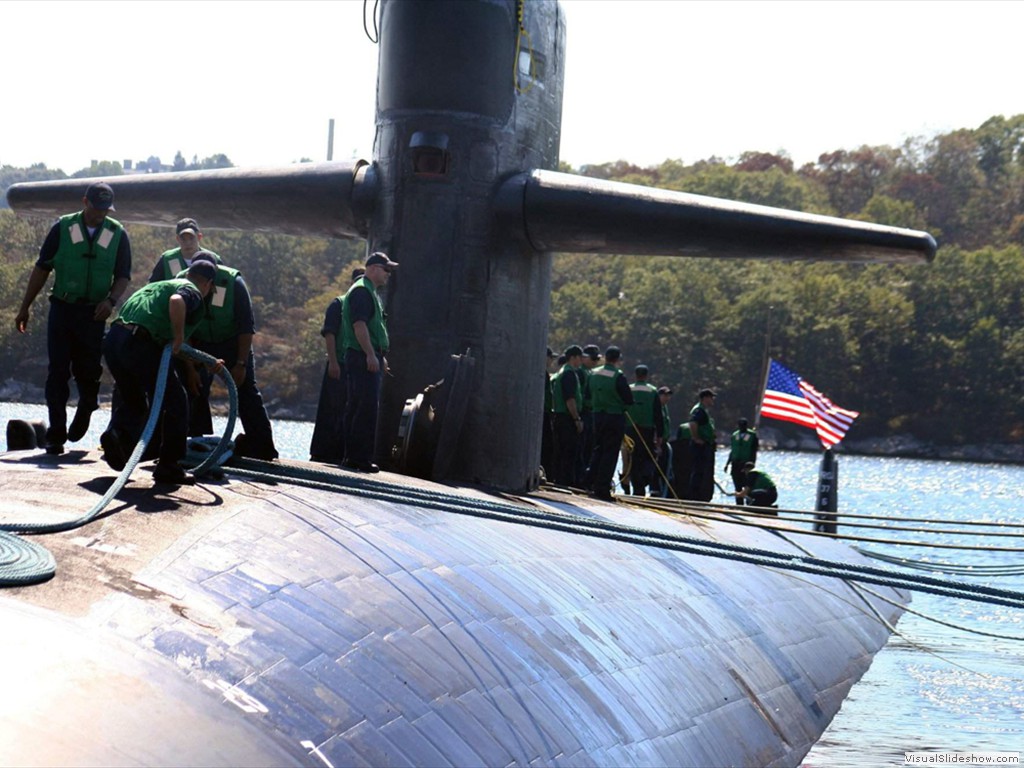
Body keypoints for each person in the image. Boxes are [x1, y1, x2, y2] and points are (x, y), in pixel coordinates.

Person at [14, 182, 132, 455]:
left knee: (88, 371)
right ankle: (56, 434)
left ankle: (87, 405)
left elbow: (123, 275)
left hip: (93, 313)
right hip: (63, 309)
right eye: (96, 208)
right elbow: (42, 268)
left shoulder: (117, 234)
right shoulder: (63, 228)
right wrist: (25, 307)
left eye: (106, 209)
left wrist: (111, 301)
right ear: (85, 202)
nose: (101, 214)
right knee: (57, 371)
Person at [100, 261, 221, 485]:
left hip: (114, 339)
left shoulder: (160, 285)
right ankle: (169, 466)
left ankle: (116, 437)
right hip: (139, 343)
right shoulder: (191, 290)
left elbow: (173, 349)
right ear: (208, 284)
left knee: (134, 400)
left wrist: (206, 362)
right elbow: (177, 303)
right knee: (176, 401)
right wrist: (178, 336)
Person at [341, 252, 398, 473]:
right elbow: (360, 326)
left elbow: (373, 327)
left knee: (358, 406)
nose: (388, 275)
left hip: (366, 355)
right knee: (365, 408)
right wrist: (370, 355)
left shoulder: (369, 292)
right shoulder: (363, 292)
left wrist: (378, 355)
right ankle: (359, 458)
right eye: (386, 270)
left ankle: (353, 456)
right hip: (362, 356)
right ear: (373, 268)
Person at [310, 267, 365, 463]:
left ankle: (343, 452)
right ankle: (321, 452)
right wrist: (333, 362)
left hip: (356, 368)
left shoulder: (368, 306)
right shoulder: (339, 304)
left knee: (350, 410)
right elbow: (330, 333)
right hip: (339, 364)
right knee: (330, 409)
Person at [585, 346, 633, 500]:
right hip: (614, 416)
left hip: (597, 416)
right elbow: (628, 399)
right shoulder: (618, 375)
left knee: (598, 449)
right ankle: (602, 488)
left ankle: (589, 482)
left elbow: (587, 394)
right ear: (618, 359)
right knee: (610, 453)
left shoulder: (593, 373)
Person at [623, 365, 664, 496]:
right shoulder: (652, 391)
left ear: (635, 375)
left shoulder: (628, 389)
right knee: (647, 459)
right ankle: (643, 483)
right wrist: (660, 436)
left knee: (633, 460)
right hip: (647, 431)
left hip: (630, 430)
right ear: (646, 376)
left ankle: (637, 489)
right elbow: (658, 415)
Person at [550, 345, 584, 486]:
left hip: (560, 416)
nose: (581, 361)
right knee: (568, 451)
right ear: (573, 357)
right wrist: (576, 419)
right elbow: (570, 398)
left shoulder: (562, 372)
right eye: (579, 358)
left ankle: (560, 480)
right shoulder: (569, 373)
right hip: (566, 417)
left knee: (562, 451)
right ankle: (564, 482)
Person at [148, 217, 221, 282]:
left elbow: (223, 286)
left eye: (191, 238)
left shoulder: (213, 259)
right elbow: (152, 287)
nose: (188, 243)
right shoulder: (168, 259)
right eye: (183, 239)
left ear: (199, 237)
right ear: (177, 239)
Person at [575, 344, 602, 483]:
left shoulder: (592, 373)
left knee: (590, 447)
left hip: (592, 413)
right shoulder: (580, 373)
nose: (595, 362)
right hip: (584, 412)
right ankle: (579, 478)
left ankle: (586, 477)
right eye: (593, 359)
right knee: (582, 446)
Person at [687, 388, 718, 502]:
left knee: (701, 471)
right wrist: (696, 438)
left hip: (706, 444)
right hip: (699, 446)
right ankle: (693, 497)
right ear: (705, 398)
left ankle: (698, 496)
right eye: (711, 397)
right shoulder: (698, 410)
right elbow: (693, 423)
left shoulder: (704, 410)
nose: (712, 400)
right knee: (698, 471)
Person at [723, 418, 759, 506]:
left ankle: (750, 504)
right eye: (741, 425)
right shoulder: (735, 435)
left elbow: (754, 450)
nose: (742, 427)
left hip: (746, 463)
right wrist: (727, 464)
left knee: (747, 485)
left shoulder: (752, 435)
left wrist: (752, 464)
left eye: (744, 425)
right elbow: (732, 450)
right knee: (737, 486)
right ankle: (739, 505)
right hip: (735, 463)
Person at [653, 385, 674, 497]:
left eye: (668, 395)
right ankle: (655, 492)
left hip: (665, 441)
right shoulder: (656, 407)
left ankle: (665, 494)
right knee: (656, 469)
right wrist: (657, 444)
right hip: (657, 443)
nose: (667, 398)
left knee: (667, 470)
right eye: (665, 395)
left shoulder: (665, 408)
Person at [539, 345, 556, 477]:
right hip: (542, 413)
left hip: (545, 413)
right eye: (550, 358)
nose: (552, 361)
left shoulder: (544, 374)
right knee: (547, 446)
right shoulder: (541, 374)